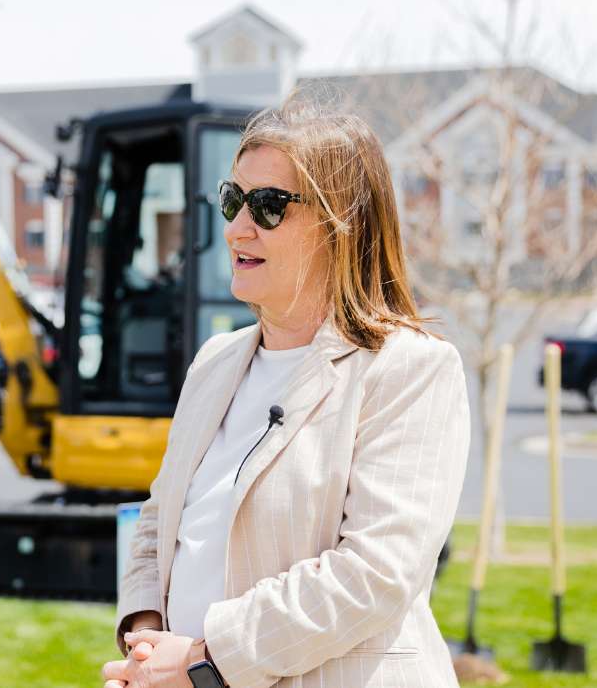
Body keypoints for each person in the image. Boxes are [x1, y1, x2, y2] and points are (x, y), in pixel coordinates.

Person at [101, 88, 471, 688]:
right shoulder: (215, 363)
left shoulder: (410, 370)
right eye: (232, 201)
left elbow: (374, 575)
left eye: (269, 206)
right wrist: (147, 645)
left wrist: (202, 659)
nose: (238, 228)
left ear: (341, 225)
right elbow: (157, 520)